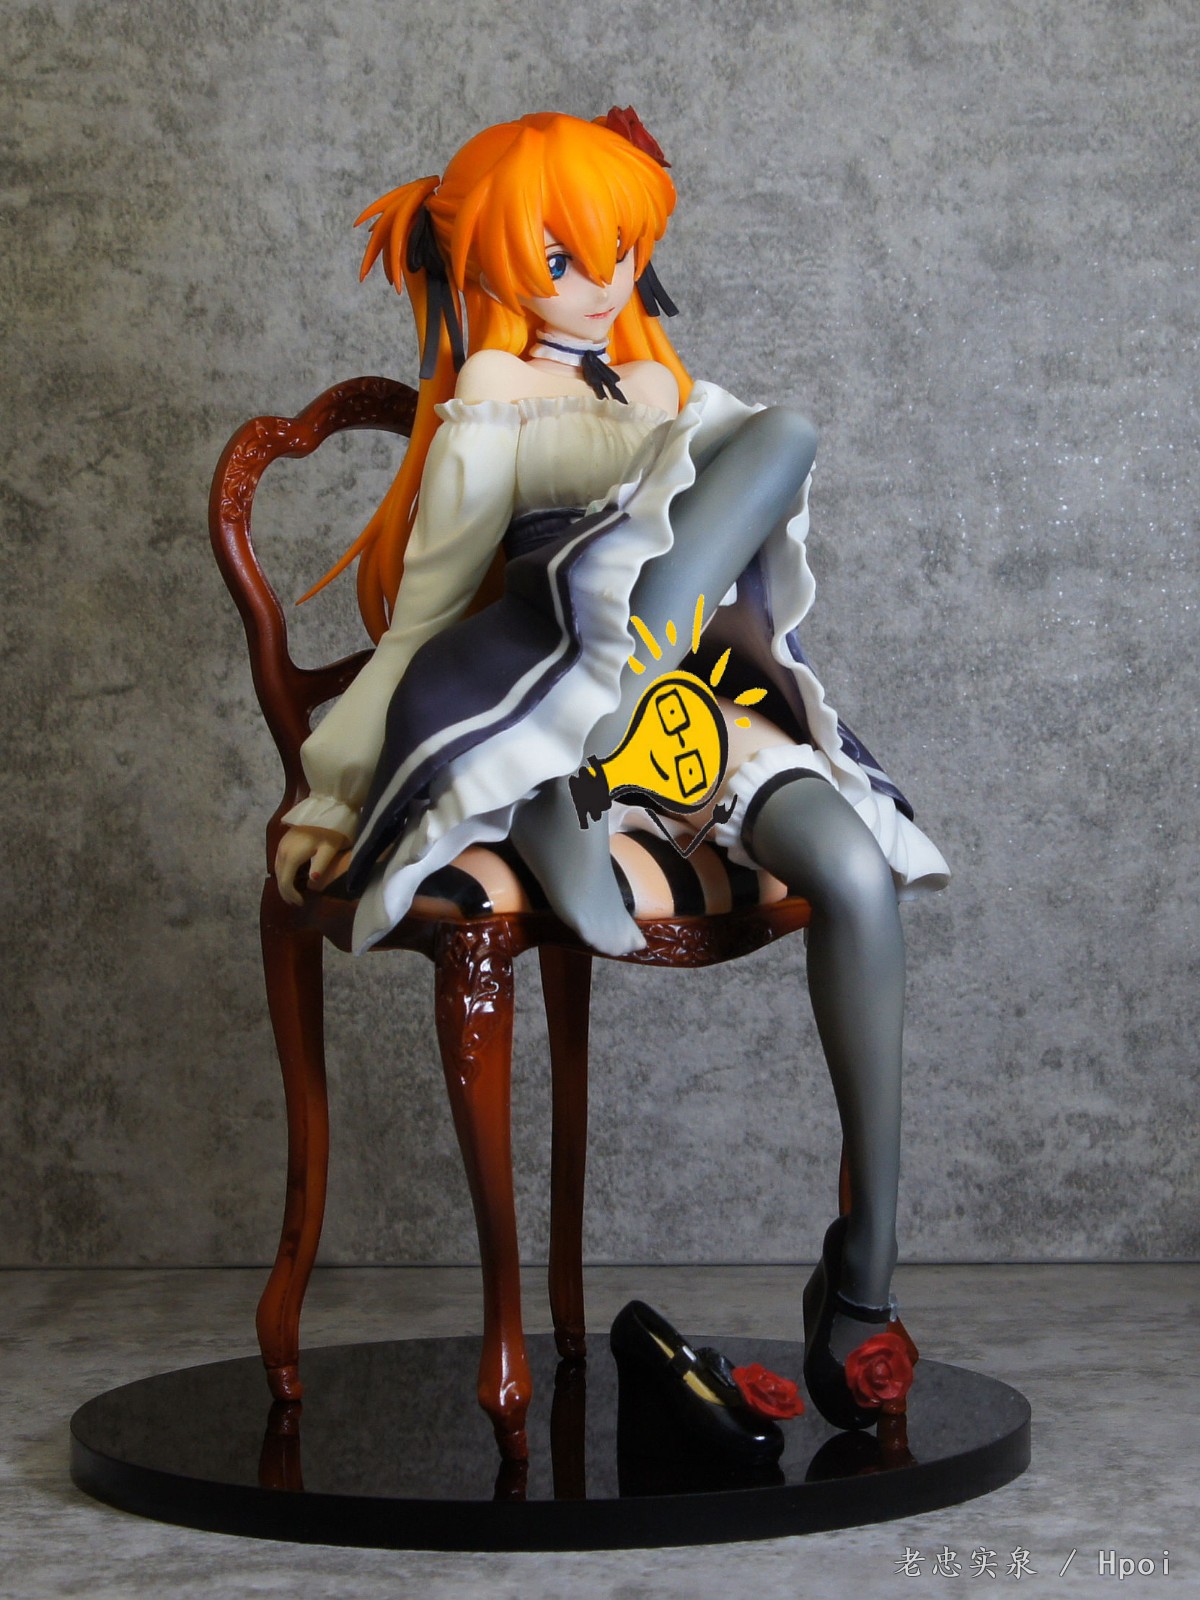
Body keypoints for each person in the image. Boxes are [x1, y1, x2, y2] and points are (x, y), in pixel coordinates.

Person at [273, 108, 949, 1429]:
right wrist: (337, 789)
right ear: (491, 262)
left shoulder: (656, 390)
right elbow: (425, 616)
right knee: (741, 460)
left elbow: (750, 510)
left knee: (859, 876)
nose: (602, 281)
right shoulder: (494, 392)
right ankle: (560, 773)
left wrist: (693, 654)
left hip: (689, 705)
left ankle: (864, 1270)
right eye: (561, 257)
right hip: (551, 662)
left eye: (622, 249)